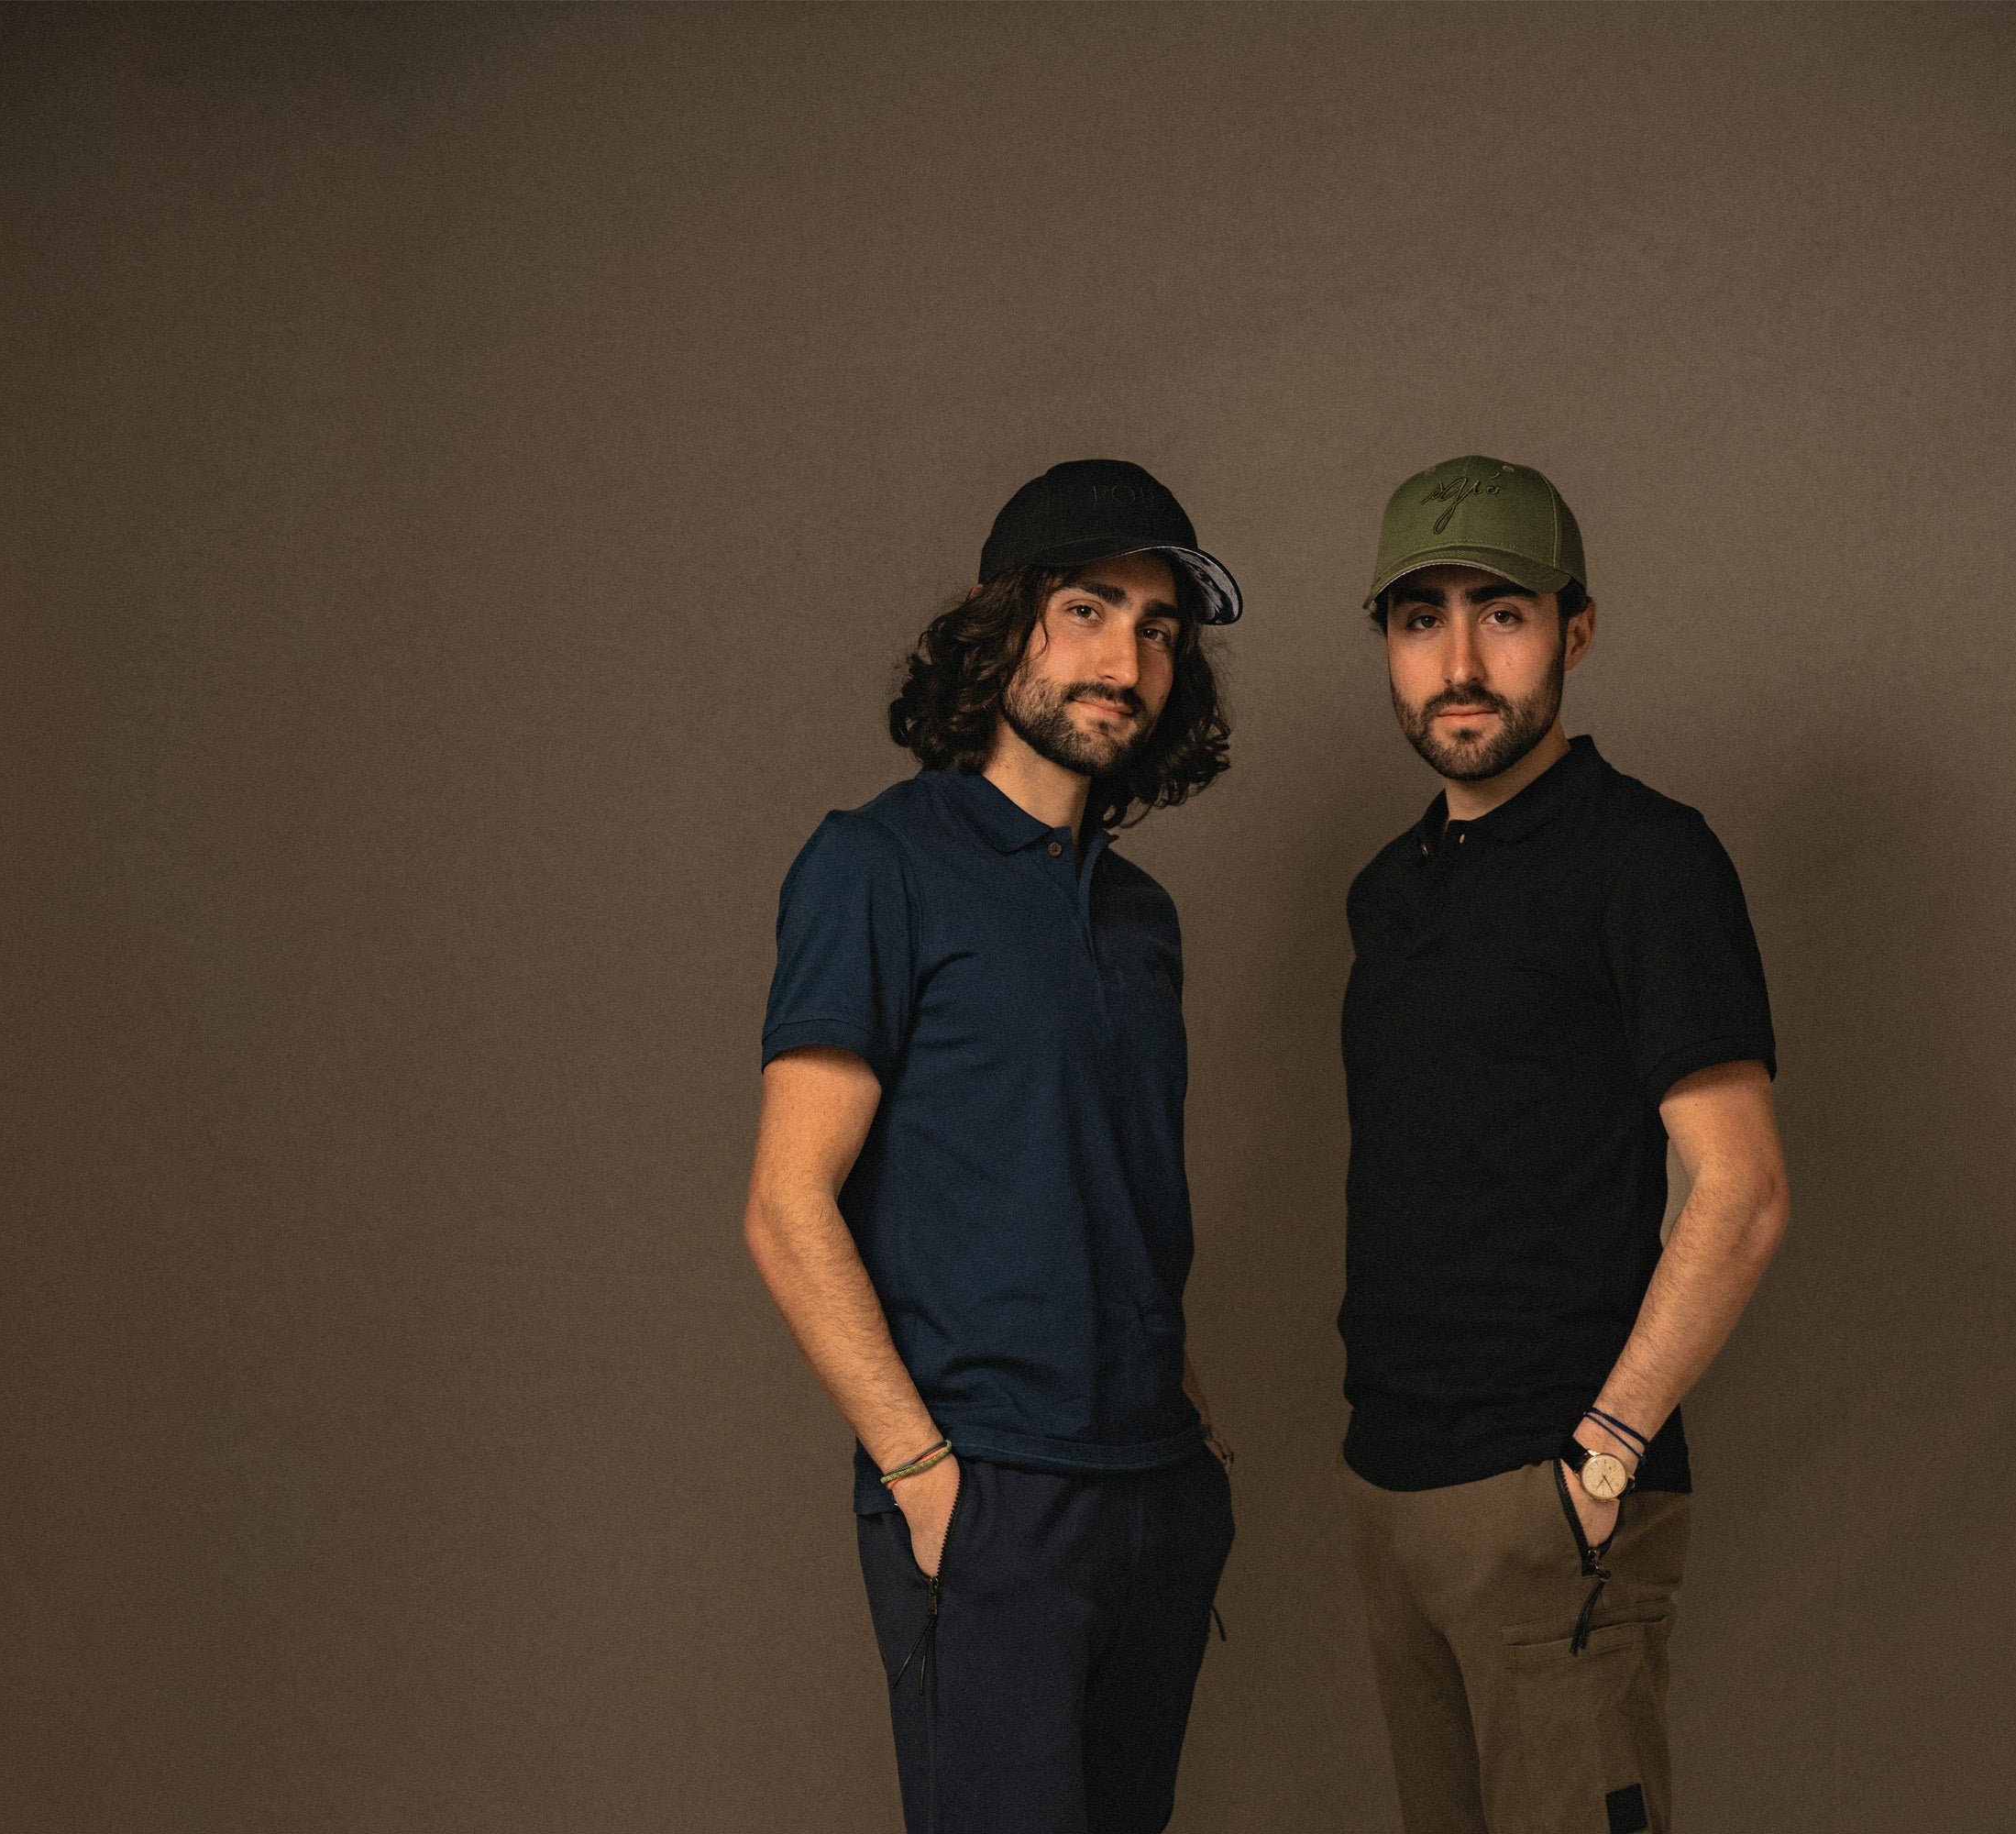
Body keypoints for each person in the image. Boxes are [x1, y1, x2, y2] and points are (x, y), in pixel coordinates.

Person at [743, 459, 1241, 1834]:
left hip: (1157, 1490)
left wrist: (1190, 1429)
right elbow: (787, 1206)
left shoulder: (1142, 919)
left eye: (1157, 628)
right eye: (1087, 610)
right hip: (992, 1494)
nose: (1124, 661)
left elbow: (1107, 1188)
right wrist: (923, 1478)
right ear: (1000, 621)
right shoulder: (877, 864)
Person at [1336, 456, 1791, 1834]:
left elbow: (1741, 1188)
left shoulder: (1645, 858)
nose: (1460, 664)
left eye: (1503, 614)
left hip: (1555, 1495)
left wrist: (1604, 1452)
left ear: (1575, 631)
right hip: (1392, 1493)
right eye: (1421, 620)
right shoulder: (1388, 891)